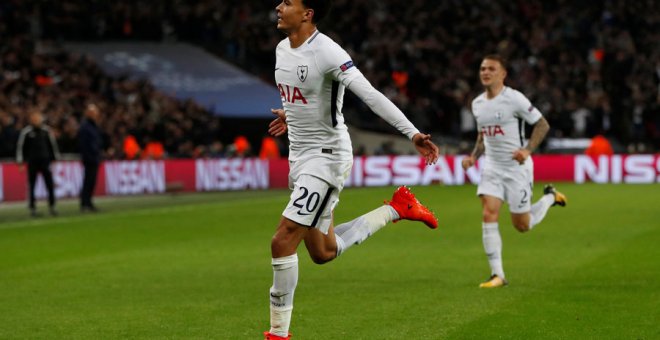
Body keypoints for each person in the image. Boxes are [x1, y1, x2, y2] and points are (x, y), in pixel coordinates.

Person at [264, 1, 440, 339]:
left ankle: (277, 334)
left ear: (307, 13)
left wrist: (413, 133)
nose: (278, 6)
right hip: (300, 160)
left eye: (288, 2)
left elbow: (370, 95)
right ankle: (396, 208)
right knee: (323, 252)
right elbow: (300, 96)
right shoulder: (282, 49)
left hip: (326, 158)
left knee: (283, 240)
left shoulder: (328, 52)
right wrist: (291, 115)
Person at [461, 55, 567, 288]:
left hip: (516, 169)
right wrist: (474, 157)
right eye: (482, 69)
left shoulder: (514, 99)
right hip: (492, 167)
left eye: (491, 69)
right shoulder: (477, 103)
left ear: (503, 74)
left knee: (522, 225)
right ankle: (497, 274)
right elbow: (483, 135)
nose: (485, 72)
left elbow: (542, 124)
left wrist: (528, 150)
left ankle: (550, 197)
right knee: (489, 213)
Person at [16, 110, 60, 217]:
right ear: (31, 119)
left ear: (41, 119)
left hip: (45, 161)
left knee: (49, 184)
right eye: (34, 118)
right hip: (32, 162)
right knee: (32, 185)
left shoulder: (46, 131)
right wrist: (20, 162)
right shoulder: (26, 132)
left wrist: (55, 158)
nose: (36, 120)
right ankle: (32, 208)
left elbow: (52, 146)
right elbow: (20, 148)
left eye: (38, 118)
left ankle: (52, 206)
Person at [78, 103, 103, 212]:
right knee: (88, 181)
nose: (95, 114)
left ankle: (88, 202)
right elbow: (83, 144)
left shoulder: (93, 126)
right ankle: (85, 203)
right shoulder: (85, 127)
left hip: (94, 157)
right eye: (93, 112)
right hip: (89, 158)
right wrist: (88, 156)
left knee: (91, 181)